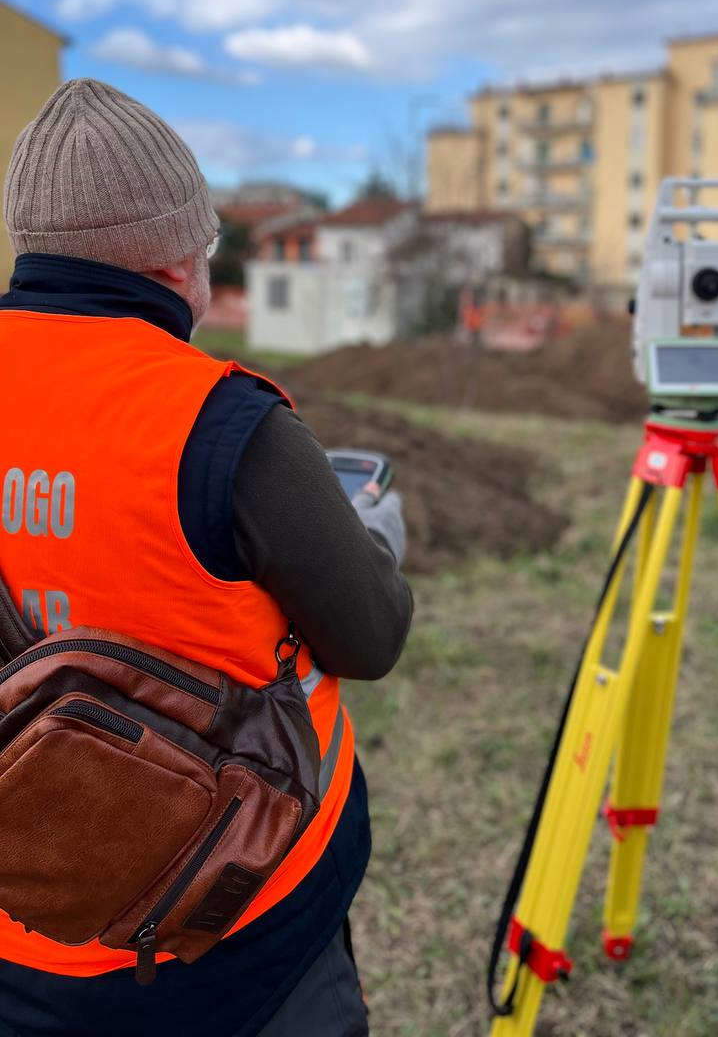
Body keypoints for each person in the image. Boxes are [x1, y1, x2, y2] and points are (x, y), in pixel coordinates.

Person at [0, 79, 414, 1037]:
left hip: (19, 917)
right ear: (179, 258)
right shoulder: (224, 420)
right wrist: (370, 540)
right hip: (234, 926)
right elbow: (371, 636)